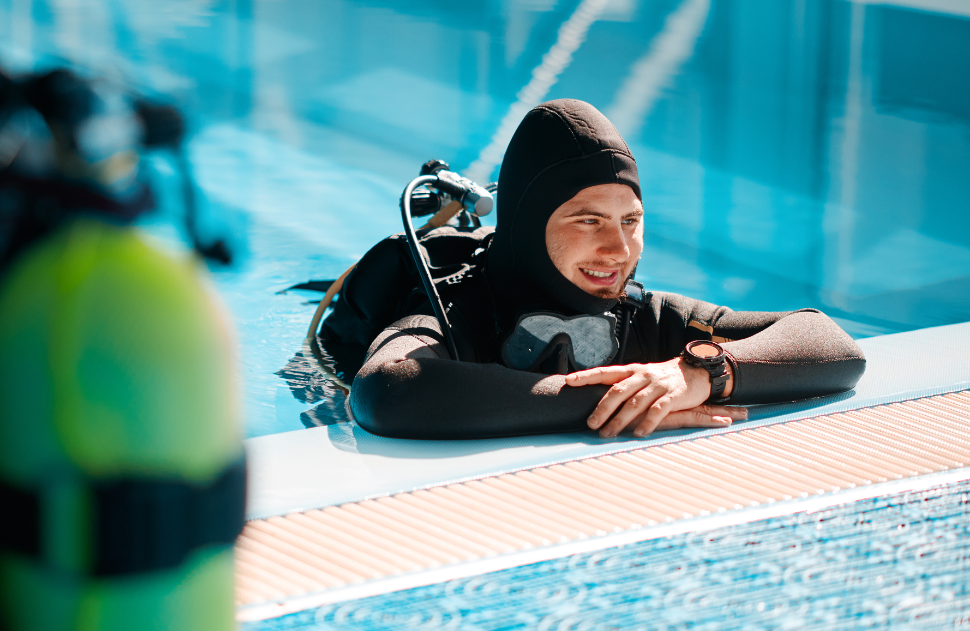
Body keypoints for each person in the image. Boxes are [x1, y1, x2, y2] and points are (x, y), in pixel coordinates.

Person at [348, 99, 866, 440]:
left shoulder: (643, 316)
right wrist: (621, 399)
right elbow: (388, 391)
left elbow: (830, 343)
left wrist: (697, 374)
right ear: (528, 224)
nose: (618, 249)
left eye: (631, 220)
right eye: (588, 220)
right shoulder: (456, 308)